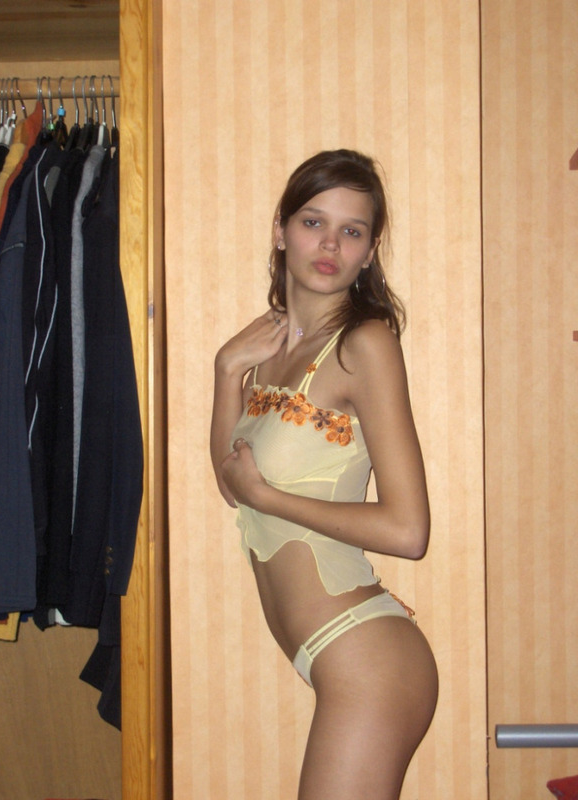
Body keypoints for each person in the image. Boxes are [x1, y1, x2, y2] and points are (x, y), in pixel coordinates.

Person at [210, 149, 438, 800]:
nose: (331, 244)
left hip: (368, 658)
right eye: (314, 222)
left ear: (370, 252)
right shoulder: (270, 352)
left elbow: (408, 530)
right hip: (333, 658)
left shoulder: (365, 344)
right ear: (280, 231)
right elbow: (233, 484)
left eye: (352, 230)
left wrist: (268, 496)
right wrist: (227, 371)